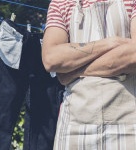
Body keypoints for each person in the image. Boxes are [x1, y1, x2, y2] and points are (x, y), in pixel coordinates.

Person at [42, 0, 136, 149]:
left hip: (129, 123)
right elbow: (51, 58)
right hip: (75, 126)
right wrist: (110, 43)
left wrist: (74, 71)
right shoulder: (61, 3)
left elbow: (133, 55)